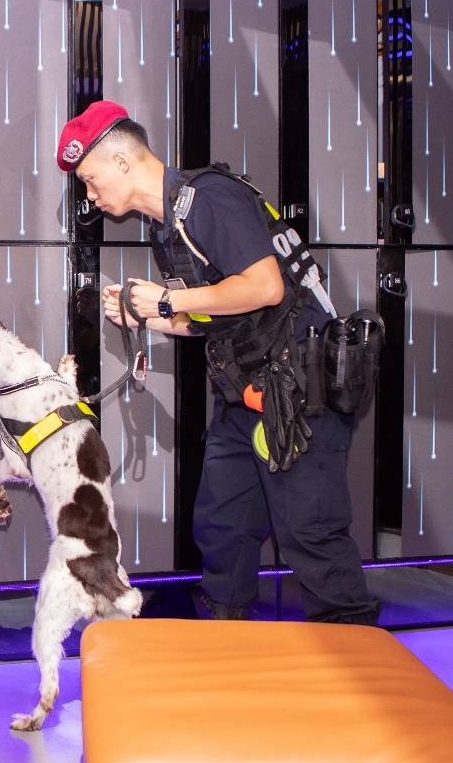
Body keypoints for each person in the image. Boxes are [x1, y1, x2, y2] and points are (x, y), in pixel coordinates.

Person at [58, 100, 380, 624]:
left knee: (311, 536)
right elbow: (218, 314)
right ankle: (225, 643)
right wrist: (149, 317)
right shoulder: (167, 224)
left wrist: (168, 300)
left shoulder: (208, 198)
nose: (90, 195)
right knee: (223, 529)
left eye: (90, 180)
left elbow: (266, 287)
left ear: (121, 161)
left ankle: (358, 656)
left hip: (298, 395)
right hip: (246, 395)